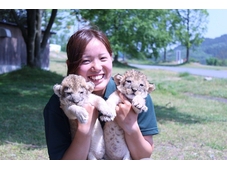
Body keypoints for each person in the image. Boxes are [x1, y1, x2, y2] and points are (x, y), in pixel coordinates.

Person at [43, 27, 159, 160]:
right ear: (71, 65)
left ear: (111, 58)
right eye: (86, 61)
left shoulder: (134, 95)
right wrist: (84, 130)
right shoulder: (59, 102)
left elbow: (144, 155)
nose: (97, 67)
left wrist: (131, 126)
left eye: (103, 58)